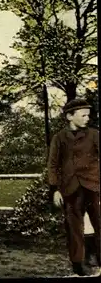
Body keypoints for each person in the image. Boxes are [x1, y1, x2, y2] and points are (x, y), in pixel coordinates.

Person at [47, 99, 100, 276]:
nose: (87, 118)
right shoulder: (59, 138)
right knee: (74, 228)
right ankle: (78, 266)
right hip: (70, 189)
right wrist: (55, 189)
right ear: (70, 116)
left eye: (88, 115)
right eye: (83, 115)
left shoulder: (94, 135)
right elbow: (53, 165)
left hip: (94, 187)